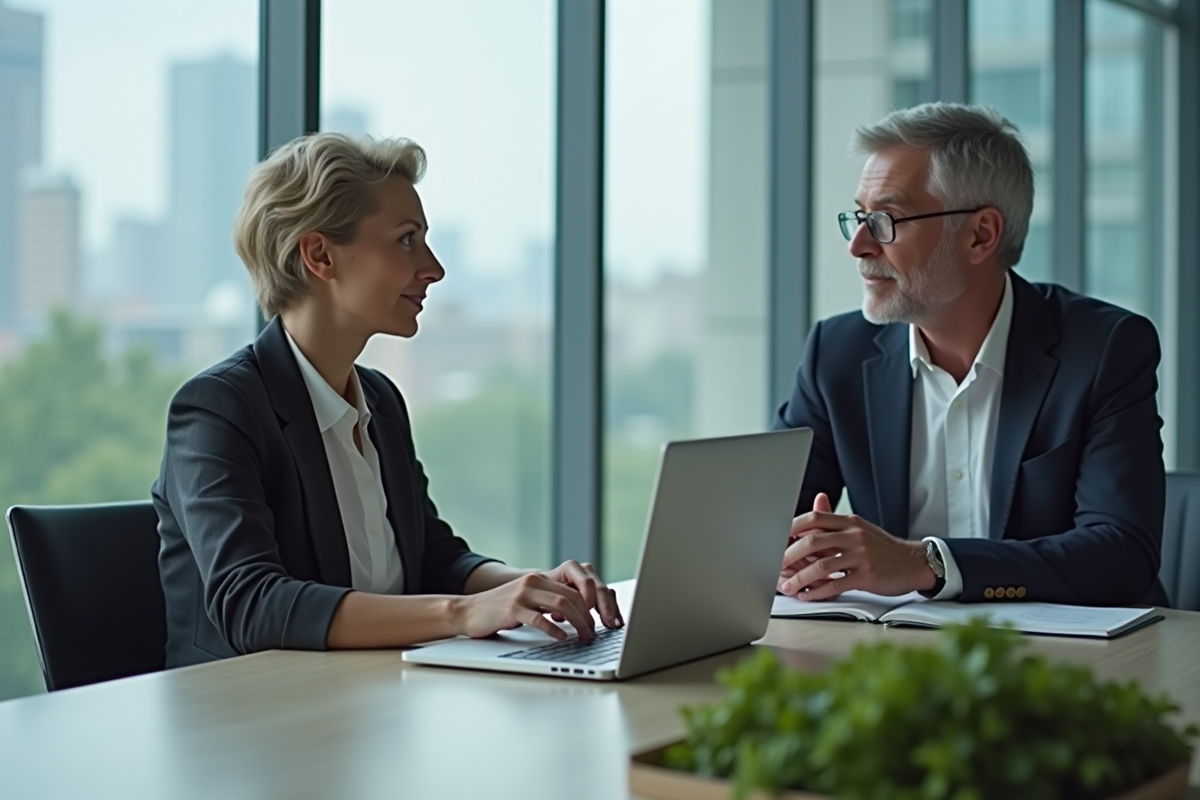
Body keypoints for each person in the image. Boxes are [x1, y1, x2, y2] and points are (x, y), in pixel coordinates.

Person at [153, 133, 621, 668]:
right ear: (320, 254)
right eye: (406, 240)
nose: (434, 268)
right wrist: (462, 613)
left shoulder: (380, 398)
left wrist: (532, 588)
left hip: (369, 706)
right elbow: (252, 605)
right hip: (250, 725)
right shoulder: (217, 409)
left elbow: (434, 559)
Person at [773, 102, 1164, 606]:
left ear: (981, 234)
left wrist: (923, 563)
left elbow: (1122, 555)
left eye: (887, 219)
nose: (860, 245)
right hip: (899, 656)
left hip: (1078, 659)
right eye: (859, 217)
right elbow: (762, 528)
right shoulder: (837, 354)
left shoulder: (1105, 349)